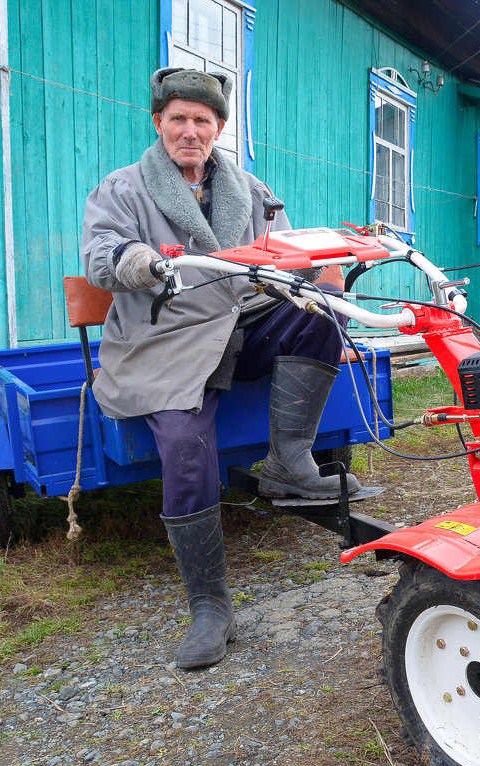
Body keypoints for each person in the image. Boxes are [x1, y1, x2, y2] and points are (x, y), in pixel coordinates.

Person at [81, 68, 360, 669]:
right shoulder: (123, 188)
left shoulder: (250, 190)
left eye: (201, 121)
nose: (189, 131)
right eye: (177, 118)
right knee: (184, 444)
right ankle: (210, 605)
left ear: (219, 129)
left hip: (240, 322)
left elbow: (284, 255)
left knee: (320, 316)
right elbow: (102, 255)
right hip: (164, 337)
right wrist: (142, 263)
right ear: (158, 123)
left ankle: (289, 461)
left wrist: (325, 268)